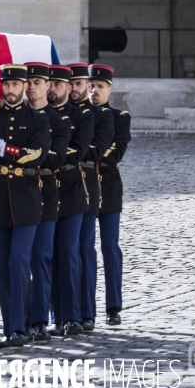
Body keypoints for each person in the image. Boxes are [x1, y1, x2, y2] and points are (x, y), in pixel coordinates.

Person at [0, 64, 50, 348]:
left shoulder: (36, 119)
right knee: (2, 267)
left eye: (16, 85)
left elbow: (37, 155)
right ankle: (12, 326)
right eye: (6, 86)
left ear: (24, 87)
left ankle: (20, 326)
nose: (11, 90)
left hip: (26, 198)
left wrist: (3, 146)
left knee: (19, 261)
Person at [24, 62, 71, 342]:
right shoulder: (15, 116)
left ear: (47, 85)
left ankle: (40, 319)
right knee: (19, 260)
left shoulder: (59, 120)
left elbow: (57, 158)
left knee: (41, 257)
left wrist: (26, 155)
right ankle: (21, 316)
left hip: (46, 192)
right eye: (27, 82)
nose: (31, 87)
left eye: (37, 82)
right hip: (16, 193)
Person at [47, 65, 94, 336]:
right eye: (49, 84)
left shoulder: (82, 116)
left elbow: (77, 153)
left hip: (71, 189)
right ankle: (57, 315)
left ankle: (73, 316)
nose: (52, 89)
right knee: (49, 255)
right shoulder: (40, 116)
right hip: (45, 191)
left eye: (58, 84)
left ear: (68, 87)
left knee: (69, 252)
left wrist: (47, 154)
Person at [68, 63, 114, 331]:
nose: (75, 88)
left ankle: (87, 312)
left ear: (88, 85)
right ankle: (63, 311)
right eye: (70, 84)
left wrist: (67, 150)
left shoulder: (100, 116)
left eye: (80, 83)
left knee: (84, 250)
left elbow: (95, 152)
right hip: (59, 187)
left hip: (85, 185)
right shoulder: (60, 113)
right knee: (61, 252)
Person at [90, 64, 131, 326]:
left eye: (100, 87)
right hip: (80, 186)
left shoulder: (120, 117)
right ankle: (84, 306)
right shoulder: (80, 114)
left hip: (108, 186)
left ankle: (113, 305)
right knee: (82, 249)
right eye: (91, 86)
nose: (94, 91)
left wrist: (87, 151)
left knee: (110, 246)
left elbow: (115, 153)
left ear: (110, 89)